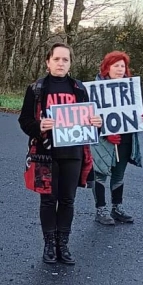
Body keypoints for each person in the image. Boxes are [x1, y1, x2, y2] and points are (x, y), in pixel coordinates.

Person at [19, 43, 101, 264]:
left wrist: (97, 123)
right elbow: (24, 121)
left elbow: (92, 124)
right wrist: (39, 126)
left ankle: (62, 245)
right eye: (56, 59)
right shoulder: (36, 89)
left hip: (73, 154)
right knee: (48, 200)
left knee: (67, 200)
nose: (61, 63)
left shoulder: (80, 89)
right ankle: (49, 245)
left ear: (70, 63)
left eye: (65, 60)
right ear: (48, 62)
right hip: (45, 153)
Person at [91, 51, 143, 226]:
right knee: (100, 173)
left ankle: (117, 207)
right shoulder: (95, 89)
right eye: (116, 65)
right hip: (103, 140)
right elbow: (89, 116)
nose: (120, 69)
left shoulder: (131, 89)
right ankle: (100, 209)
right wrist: (106, 132)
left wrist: (141, 119)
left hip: (125, 138)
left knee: (119, 173)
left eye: (123, 66)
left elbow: (134, 112)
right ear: (107, 68)